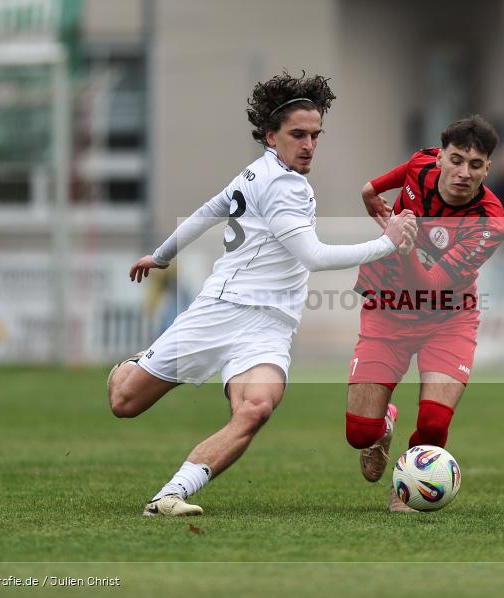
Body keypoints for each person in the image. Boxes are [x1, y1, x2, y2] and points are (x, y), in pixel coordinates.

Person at [107, 71, 417, 517]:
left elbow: (209, 209)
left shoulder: (265, 174)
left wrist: (160, 255)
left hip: (270, 327)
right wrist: (388, 240)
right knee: (124, 402)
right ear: (271, 136)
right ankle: (132, 367)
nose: (308, 144)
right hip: (221, 310)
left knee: (255, 408)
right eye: (298, 135)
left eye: (315, 135)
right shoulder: (278, 184)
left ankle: (170, 495)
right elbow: (312, 255)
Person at [345, 115, 504, 512]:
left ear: (488, 168)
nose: (463, 172)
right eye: (456, 160)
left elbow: (431, 287)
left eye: (475, 165)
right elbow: (396, 173)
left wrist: (407, 246)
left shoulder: (489, 221)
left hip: (448, 317)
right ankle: (382, 426)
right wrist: (371, 194)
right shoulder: (422, 164)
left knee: (434, 422)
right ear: (440, 158)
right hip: (387, 304)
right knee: (358, 432)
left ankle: (408, 488)